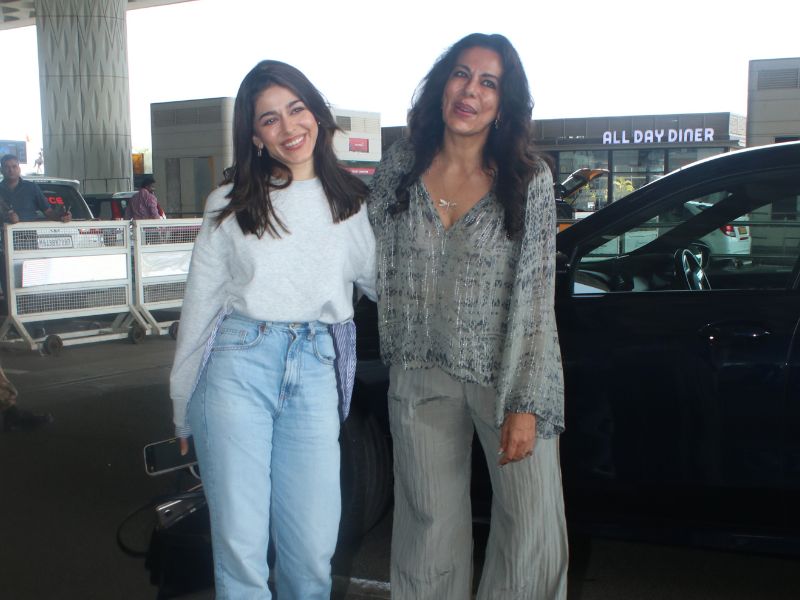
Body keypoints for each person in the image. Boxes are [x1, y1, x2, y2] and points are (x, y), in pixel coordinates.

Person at [368, 33, 568, 599]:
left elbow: (537, 296)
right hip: (419, 372)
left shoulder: (528, 179)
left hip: (507, 377)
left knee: (530, 528)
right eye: (461, 74)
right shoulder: (400, 167)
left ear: (503, 103)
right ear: (441, 85)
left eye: (488, 82)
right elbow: (359, 251)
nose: (470, 91)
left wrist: (526, 403)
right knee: (427, 530)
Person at [169, 60, 376, 599]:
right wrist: (181, 400)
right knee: (242, 550)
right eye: (269, 119)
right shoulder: (229, 203)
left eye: (296, 109)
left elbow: (387, 287)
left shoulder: (352, 204)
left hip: (316, 370)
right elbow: (200, 307)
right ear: (255, 137)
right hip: (238, 364)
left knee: (312, 551)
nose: (288, 127)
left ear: (317, 114)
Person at [0, 154, 71, 314]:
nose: (11, 170)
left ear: (19, 168)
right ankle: (13, 320)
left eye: (14, 166)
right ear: (2, 169)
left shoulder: (31, 188)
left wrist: (62, 216)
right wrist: (6, 218)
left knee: (30, 283)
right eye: (7, 167)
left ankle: (34, 321)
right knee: (8, 285)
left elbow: (48, 212)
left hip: (28, 244)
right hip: (3, 246)